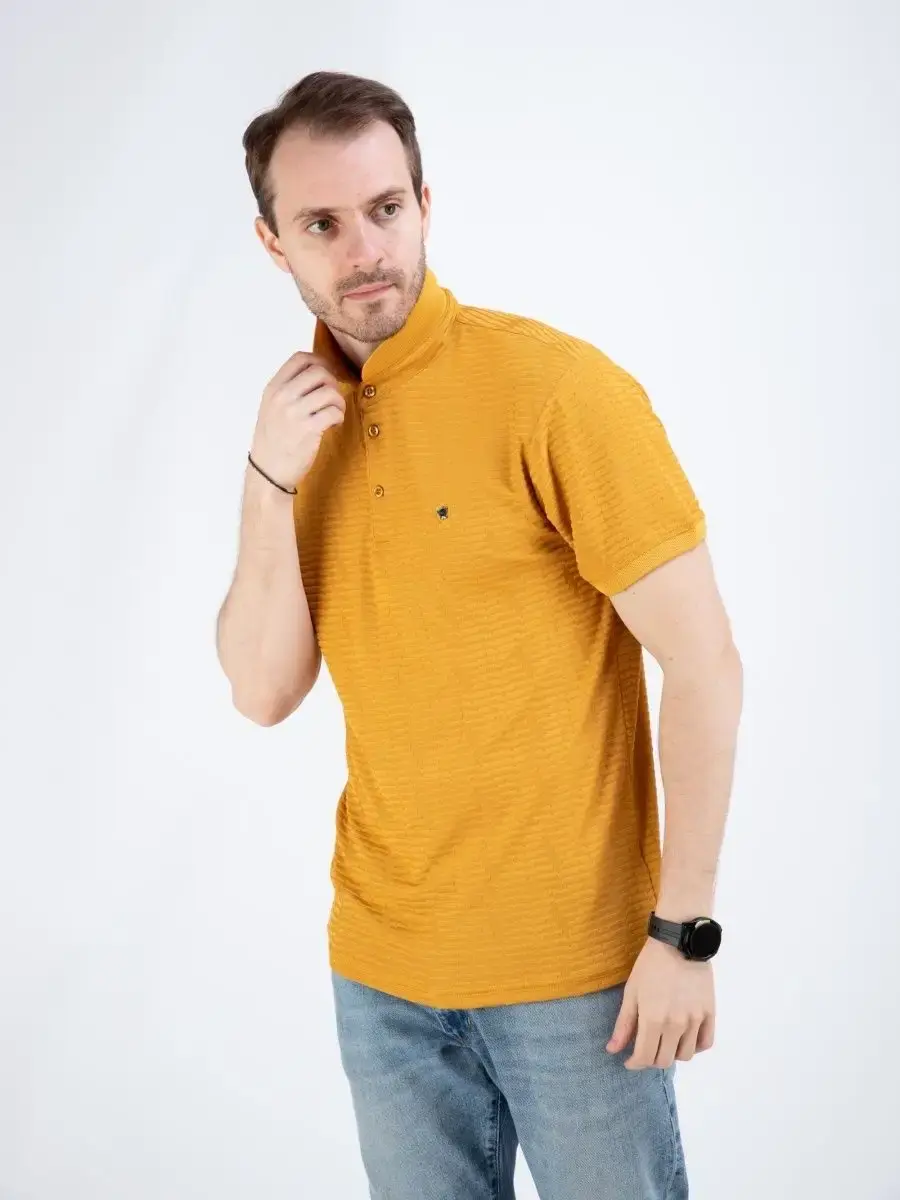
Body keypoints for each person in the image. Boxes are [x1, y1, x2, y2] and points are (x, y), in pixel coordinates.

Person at [216, 69, 743, 1200]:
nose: (365, 250)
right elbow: (261, 691)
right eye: (322, 224)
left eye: (385, 209)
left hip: (579, 980)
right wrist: (266, 479)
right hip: (383, 979)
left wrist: (684, 933)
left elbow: (704, 661)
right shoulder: (298, 431)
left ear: (425, 204)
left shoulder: (553, 391)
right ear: (273, 243)